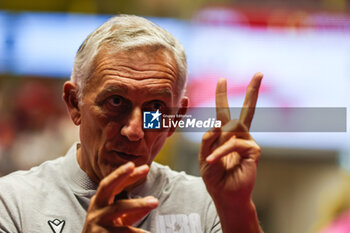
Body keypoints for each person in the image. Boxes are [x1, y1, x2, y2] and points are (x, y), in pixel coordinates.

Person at [0, 15, 263, 233]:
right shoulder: (13, 203)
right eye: (116, 102)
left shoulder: (207, 204)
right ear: (74, 102)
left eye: (156, 108)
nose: (134, 130)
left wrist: (236, 208)